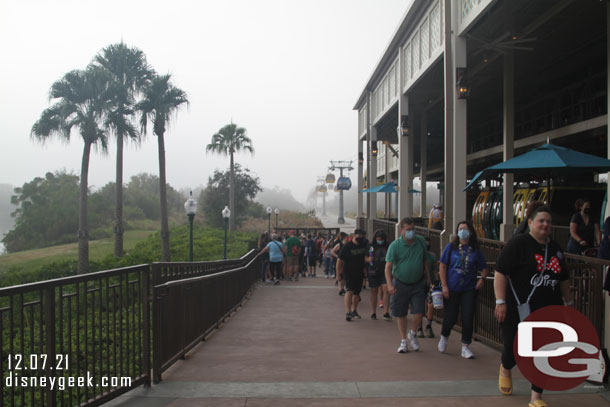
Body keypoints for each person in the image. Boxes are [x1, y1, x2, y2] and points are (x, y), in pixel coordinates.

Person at [494, 201, 573, 407]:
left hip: (548, 309)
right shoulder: (518, 244)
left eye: (548, 222)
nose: (545, 225)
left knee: (544, 352)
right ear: (530, 222)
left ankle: (536, 397)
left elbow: (563, 278)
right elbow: (500, 272)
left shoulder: (555, 248)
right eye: (540, 221)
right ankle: (506, 367)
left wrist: (569, 303)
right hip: (517, 309)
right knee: (512, 348)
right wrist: (500, 301)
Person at [437, 221, 489, 358]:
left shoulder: (475, 250)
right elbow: (442, 265)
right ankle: (444, 335)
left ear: (470, 232)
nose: (462, 232)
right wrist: (444, 285)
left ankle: (465, 345)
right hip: (452, 287)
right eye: (460, 229)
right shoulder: (451, 248)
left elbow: (484, 268)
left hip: (469, 288)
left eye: (465, 229)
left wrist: (481, 279)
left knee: (467, 316)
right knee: (451, 316)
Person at [385, 217, 430, 353]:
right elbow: (388, 267)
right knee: (401, 313)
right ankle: (404, 341)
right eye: (408, 230)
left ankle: (413, 333)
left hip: (418, 283)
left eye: (413, 229)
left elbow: (425, 260)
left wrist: (429, 277)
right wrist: (389, 285)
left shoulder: (421, 242)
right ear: (402, 230)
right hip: (400, 283)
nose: (411, 232)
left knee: (419, 312)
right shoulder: (395, 246)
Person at [337, 229, 368, 321]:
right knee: (349, 290)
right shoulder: (347, 246)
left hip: (359, 272)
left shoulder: (364, 245)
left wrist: (365, 270)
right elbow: (339, 260)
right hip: (348, 272)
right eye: (358, 236)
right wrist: (338, 273)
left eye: (362, 236)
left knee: (357, 293)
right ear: (354, 235)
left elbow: (365, 258)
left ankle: (354, 310)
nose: (360, 238)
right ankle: (348, 312)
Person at [415, 236, 439, 338]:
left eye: (428, 243)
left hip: (431, 283)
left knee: (431, 304)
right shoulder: (416, 255)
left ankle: (428, 326)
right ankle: (419, 327)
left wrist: (438, 282)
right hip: (419, 282)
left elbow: (434, 270)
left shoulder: (432, 255)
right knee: (419, 306)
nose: (427, 245)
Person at [367, 229, 391, 321]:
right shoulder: (370, 246)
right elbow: (365, 258)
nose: (379, 240)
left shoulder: (388, 246)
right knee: (374, 291)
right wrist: (369, 260)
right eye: (378, 239)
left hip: (385, 270)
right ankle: (373, 312)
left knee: (386, 290)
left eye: (381, 239)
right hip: (373, 270)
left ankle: (386, 312)